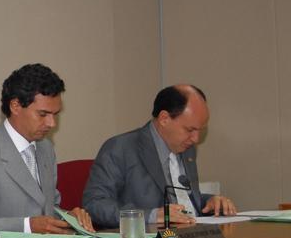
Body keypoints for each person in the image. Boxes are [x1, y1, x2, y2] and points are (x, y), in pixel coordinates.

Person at [0, 63, 94, 235]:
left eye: (55, 114)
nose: (52, 124)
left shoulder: (45, 148)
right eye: (43, 114)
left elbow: (48, 211)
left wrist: (69, 218)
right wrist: (27, 226)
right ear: (15, 106)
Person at [83, 84, 236, 229]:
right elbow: (95, 205)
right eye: (190, 130)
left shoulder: (187, 149)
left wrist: (210, 201)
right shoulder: (120, 148)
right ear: (164, 119)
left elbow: (180, 200)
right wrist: (151, 216)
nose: (196, 139)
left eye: (200, 130)